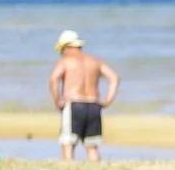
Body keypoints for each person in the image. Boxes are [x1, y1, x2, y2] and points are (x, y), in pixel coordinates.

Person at [47, 30, 120, 161]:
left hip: (74, 104)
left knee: (68, 143)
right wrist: (107, 101)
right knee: (92, 146)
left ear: (67, 47)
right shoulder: (95, 61)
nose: (61, 53)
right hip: (94, 105)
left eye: (61, 49)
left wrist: (57, 101)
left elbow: (53, 79)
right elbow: (114, 78)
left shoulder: (66, 61)